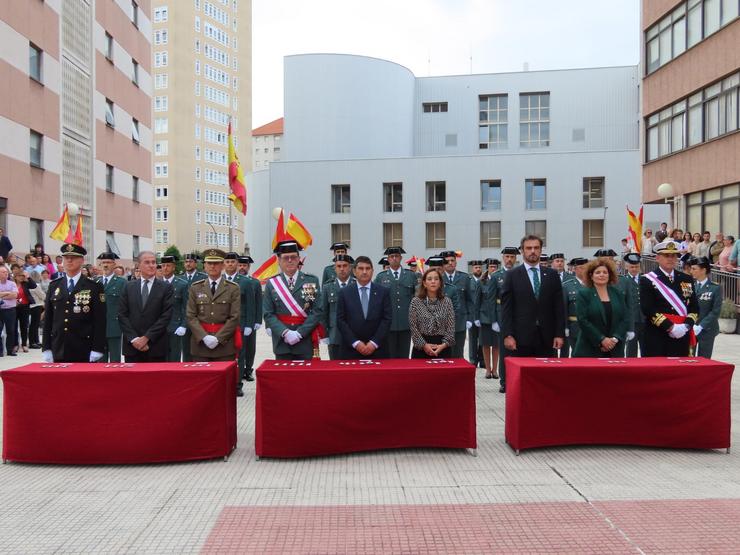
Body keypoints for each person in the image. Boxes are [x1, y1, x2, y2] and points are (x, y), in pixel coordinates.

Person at [500, 235, 565, 392]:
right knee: (522, 381)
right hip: (521, 338)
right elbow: (506, 308)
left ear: (541, 250)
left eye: (536, 248)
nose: (533, 251)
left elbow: (558, 307)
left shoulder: (551, 275)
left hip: (547, 337)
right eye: (528, 248)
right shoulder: (512, 275)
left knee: (546, 380)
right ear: (522, 251)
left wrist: (559, 334)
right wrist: (507, 334)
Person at [41, 244, 106, 363]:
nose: (69, 260)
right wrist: (46, 347)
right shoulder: (54, 285)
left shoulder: (94, 287)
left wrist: (97, 348)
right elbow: (48, 319)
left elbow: (100, 320)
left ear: (82, 260)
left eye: (73, 258)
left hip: (83, 346)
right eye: (66, 258)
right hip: (58, 346)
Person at [263, 241, 323, 360]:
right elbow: (268, 314)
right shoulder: (272, 283)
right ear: (279, 261)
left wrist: (300, 333)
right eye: (285, 258)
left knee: (305, 377)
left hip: (305, 340)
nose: (290, 260)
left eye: (293, 257)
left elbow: (317, 311)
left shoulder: (311, 280)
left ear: (298, 259)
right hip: (281, 341)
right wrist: (285, 332)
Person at [640, 240, 699, 357]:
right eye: (666, 255)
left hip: (682, 334)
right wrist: (671, 327)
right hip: (658, 335)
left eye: (674, 256)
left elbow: (694, 307)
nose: (670, 259)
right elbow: (648, 308)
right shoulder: (647, 279)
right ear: (657, 258)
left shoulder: (686, 278)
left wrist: (686, 326)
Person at [186, 249, 241, 362]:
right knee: (202, 378)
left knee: (225, 379)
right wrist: (204, 337)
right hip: (200, 345)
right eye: (209, 263)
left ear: (222, 265)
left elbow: (234, 317)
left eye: (216, 263)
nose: (212, 266)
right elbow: (191, 316)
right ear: (204, 266)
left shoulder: (233, 288)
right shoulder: (195, 288)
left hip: (224, 345)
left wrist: (218, 338)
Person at [118, 251, 173, 363]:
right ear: (138, 265)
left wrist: (146, 338)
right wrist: (134, 339)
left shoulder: (166, 288)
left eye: (153, 262)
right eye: (147, 262)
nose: (152, 265)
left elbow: (166, 316)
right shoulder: (128, 287)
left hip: (156, 346)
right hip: (132, 346)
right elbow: (122, 314)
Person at [336, 256, 391, 359]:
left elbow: (386, 319)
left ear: (372, 271)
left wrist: (374, 343)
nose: (364, 272)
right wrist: (355, 343)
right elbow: (340, 320)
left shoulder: (383, 292)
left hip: (377, 350)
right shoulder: (344, 292)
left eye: (368, 268)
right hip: (351, 350)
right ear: (354, 271)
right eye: (361, 268)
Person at [572, 258, 628, 357]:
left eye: (605, 272)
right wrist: (601, 339)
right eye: (597, 272)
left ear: (609, 275)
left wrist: (614, 339)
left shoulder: (617, 293)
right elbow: (582, 320)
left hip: (614, 348)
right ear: (591, 275)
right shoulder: (584, 294)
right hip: (589, 349)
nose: (602, 275)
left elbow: (625, 319)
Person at [374, 246, 419, 358]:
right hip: (388, 323)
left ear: (401, 258)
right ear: (388, 259)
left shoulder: (410, 275)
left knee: (404, 354)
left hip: (406, 322)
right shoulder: (381, 277)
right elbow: (376, 301)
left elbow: (417, 298)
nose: (394, 258)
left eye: (396, 256)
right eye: (391, 256)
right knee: (390, 355)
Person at [409, 268, 456, 358]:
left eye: (436, 279)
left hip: (443, 348)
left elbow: (451, 328)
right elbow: (413, 328)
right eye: (429, 279)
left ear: (440, 283)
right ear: (424, 283)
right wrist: (424, 345)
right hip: (421, 348)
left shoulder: (447, 302)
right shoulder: (416, 302)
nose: (433, 281)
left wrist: (442, 346)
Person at [492, 247, 519, 388]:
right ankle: (504, 382)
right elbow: (491, 300)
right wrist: (494, 320)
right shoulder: (496, 276)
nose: (509, 259)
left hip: (519, 317)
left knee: (517, 350)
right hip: (502, 316)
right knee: (504, 351)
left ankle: (515, 380)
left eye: (512, 257)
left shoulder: (520, 274)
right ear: (503, 257)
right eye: (507, 256)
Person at [320, 254, 355, 360]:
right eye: (339, 266)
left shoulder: (357, 285)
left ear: (350, 268)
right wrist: (325, 335)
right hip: (334, 336)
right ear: (335, 268)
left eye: (345, 266)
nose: (342, 269)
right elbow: (323, 313)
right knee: (335, 369)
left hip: (355, 336)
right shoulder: (327, 287)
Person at [440, 251, 474, 358]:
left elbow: (469, 300)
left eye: (452, 260)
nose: (450, 263)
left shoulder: (464, 278)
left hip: (460, 320)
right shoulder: (438, 278)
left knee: (458, 351)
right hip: (442, 322)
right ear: (443, 263)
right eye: (447, 261)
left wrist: (469, 318)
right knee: (444, 352)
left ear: (456, 262)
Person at [690, 256, 722, 359]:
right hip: (691, 329)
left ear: (703, 270)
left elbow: (715, 311)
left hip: (707, 330)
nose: (691, 271)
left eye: (694, 269)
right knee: (689, 358)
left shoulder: (715, 288)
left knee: (704, 359)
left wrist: (701, 326)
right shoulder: (689, 286)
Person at [236, 256, 262, 386]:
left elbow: (257, 303)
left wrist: (257, 320)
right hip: (237, 321)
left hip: (250, 320)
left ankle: (248, 369)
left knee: (250, 347)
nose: (242, 268)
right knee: (240, 348)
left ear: (249, 267)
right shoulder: (233, 281)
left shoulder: (254, 282)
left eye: (244, 265)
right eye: (240, 265)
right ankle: (239, 370)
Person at [96, 252, 126, 362]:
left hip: (114, 326)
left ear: (114, 264)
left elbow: (125, 306)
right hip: (98, 328)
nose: (105, 265)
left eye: (108, 262)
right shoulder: (95, 282)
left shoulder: (121, 283)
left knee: (115, 360)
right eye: (103, 262)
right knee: (100, 361)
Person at [160, 254, 188, 363]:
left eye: (168, 265)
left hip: (175, 326)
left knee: (174, 357)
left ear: (174, 267)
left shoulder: (182, 284)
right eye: (163, 265)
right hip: (159, 327)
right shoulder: (156, 283)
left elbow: (187, 307)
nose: (165, 268)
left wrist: (183, 325)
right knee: (161, 357)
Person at [617, 253, 645, 357]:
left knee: (646, 350)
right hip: (631, 322)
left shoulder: (645, 280)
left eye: (636, 266)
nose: (634, 269)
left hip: (644, 320)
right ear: (626, 266)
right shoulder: (622, 281)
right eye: (632, 267)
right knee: (631, 351)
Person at [181, 253, 207, 362]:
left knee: (200, 347)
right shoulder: (179, 278)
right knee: (186, 347)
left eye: (190, 262)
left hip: (199, 317)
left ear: (195, 264)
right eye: (186, 262)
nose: (188, 264)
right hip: (184, 317)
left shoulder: (203, 277)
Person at [475, 260, 498, 377]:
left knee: (496, 344)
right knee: (485, 344)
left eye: (495, 267)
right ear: (487, 268)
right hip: (484, 317)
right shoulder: (481, 282)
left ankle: (495, 369)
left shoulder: (500, 280)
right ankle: (488, 369)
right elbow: (477, 300)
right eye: (491, 267)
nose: (493, 269)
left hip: (497, 318)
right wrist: (476, 317)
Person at [562, 258, 588, 357]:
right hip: (575, 326)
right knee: (576, 354)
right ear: (575, 269)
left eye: (586, 268)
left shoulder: (594, 284)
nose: (584, 270)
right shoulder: (567, 286)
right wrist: (566, 327)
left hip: (592, 326)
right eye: (581, 268)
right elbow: (564, 308)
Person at [13, 270, 37, 353]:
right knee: (14, 327)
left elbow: (34, 286)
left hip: (25, 307)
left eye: (22, 276)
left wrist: (28, 277)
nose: (21, 278)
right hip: (14, 307)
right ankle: (15, 344)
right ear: (15, 277)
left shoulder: (25, 284)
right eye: (20, 276)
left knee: (24, 326)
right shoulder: (12, 284)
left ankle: (24, 344)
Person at [0, 266, 19, 357]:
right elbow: (10, 294)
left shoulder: (12, 283)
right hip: (0, 309)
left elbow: (14, 295)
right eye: (3, 272)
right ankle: (0, 351)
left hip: (10, 310)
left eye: (6, 272)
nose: (6, 273)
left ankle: (10, 350)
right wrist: (7, 293)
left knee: (10, 330)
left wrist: (1, 295)